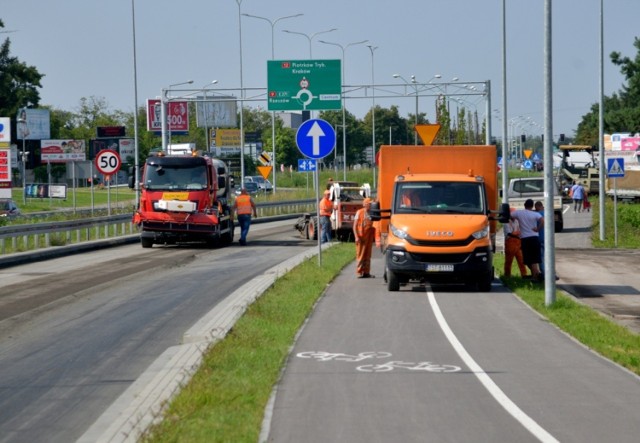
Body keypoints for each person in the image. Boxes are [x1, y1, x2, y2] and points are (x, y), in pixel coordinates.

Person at [510, 199, 543, 282]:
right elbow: (543, 221)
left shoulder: (519, 213)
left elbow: (510, 215)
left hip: (525, 238)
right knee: (534, 259)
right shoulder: (535, 214)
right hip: (535, 237)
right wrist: (538, 229)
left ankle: (535, 276)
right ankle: (536, 275)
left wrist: (513, 220)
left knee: (528, 259)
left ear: (524, 205)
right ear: (532, 206)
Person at [353, 198, 376, 278]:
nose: (370, 205)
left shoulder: (372, 213)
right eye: (369, 204)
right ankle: (359, 272)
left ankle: (366, 272)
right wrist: (356, 236)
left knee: (368, 255)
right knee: (360, 255)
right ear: (365, 204)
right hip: (361, 238)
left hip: (369, 238)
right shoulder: (359, 212)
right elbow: (355, 226)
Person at [503, 210, 528, 278]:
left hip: (518, 243)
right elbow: (509, 233)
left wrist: (516, 233)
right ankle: (507, 275)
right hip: (510, 243)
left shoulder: (517, 221)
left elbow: (519, 232)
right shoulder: (506, 223)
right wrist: (516, 233)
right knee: (509, 260)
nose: (515, 216)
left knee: (521, 260)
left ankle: (524, 274)